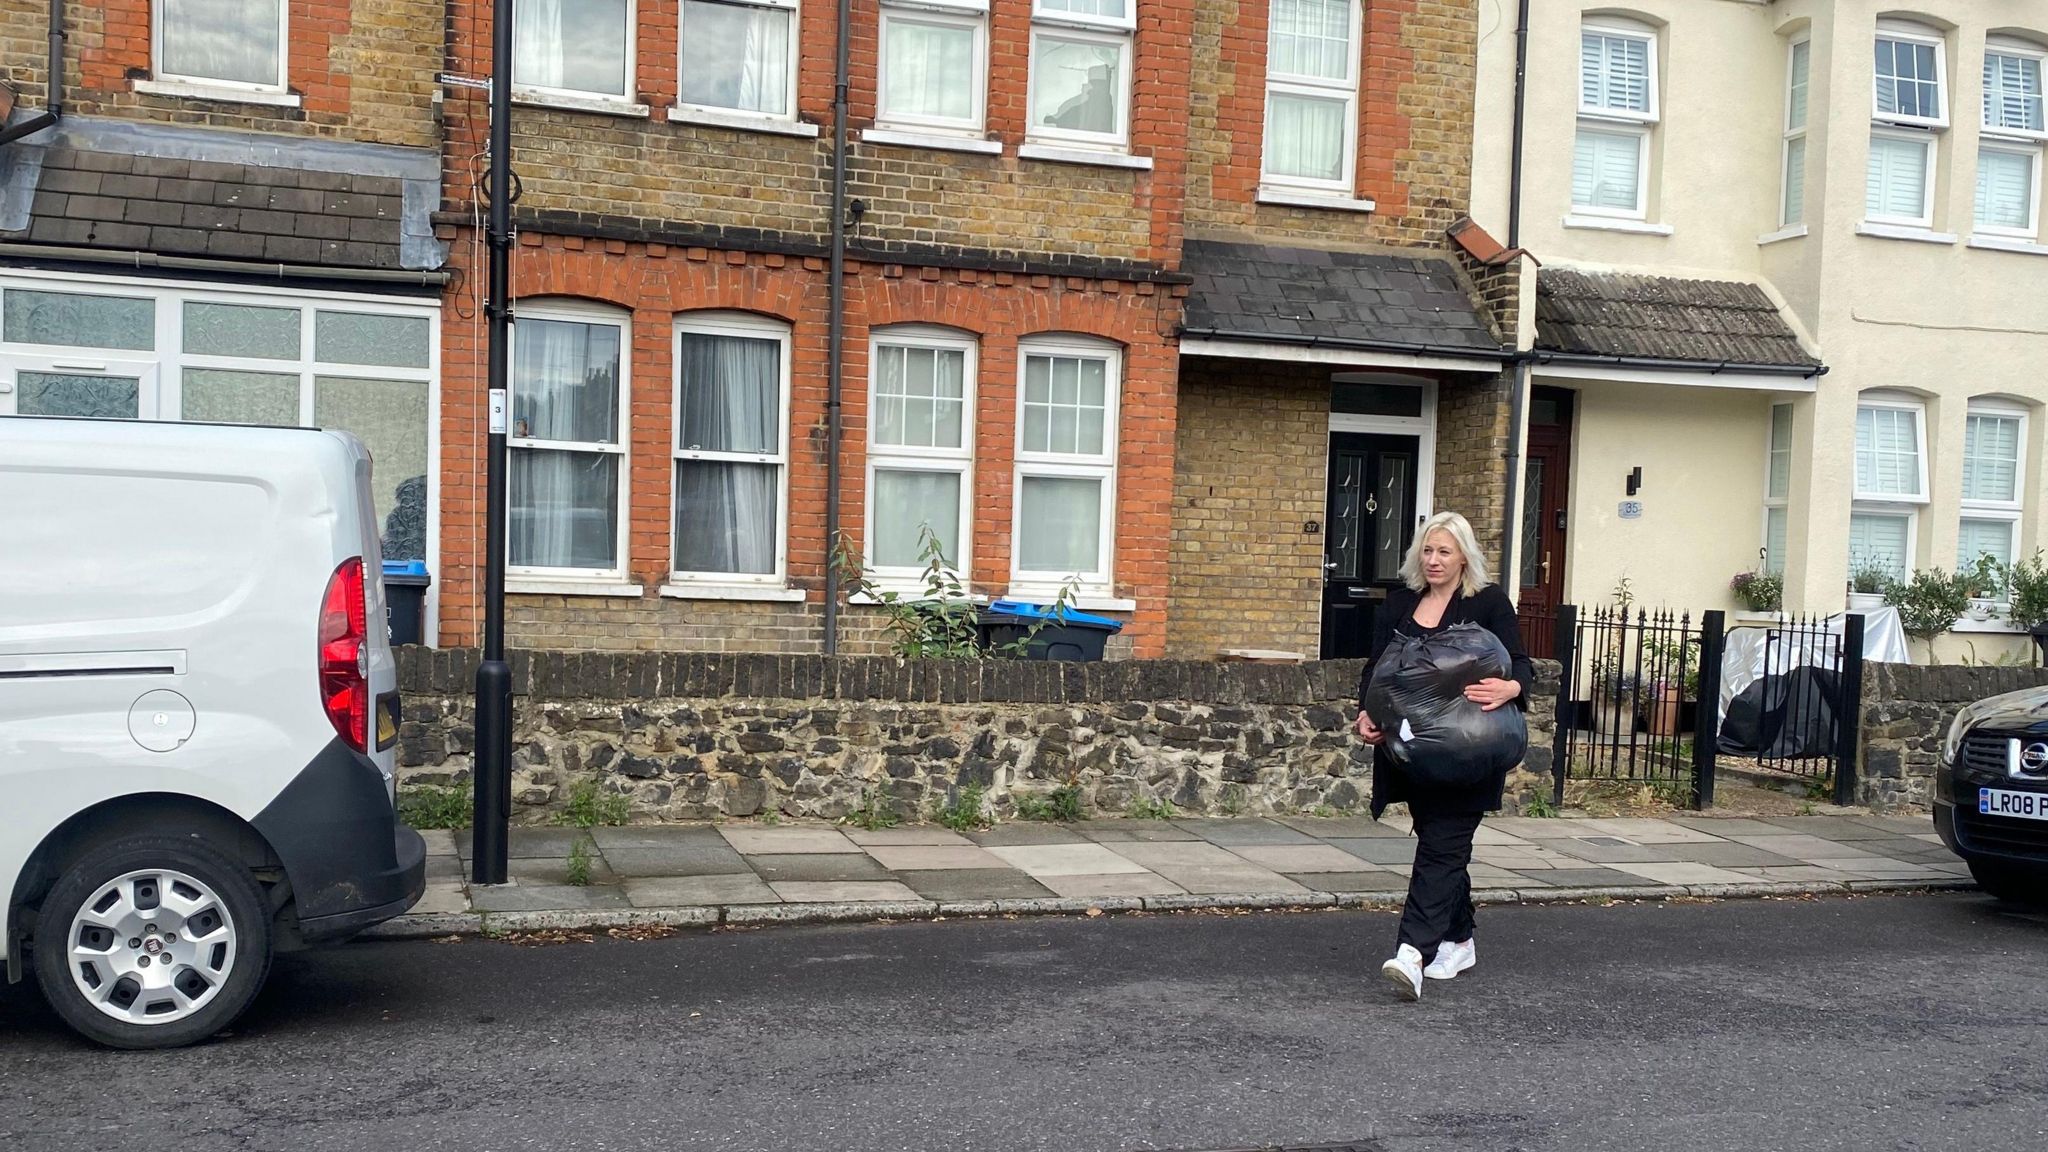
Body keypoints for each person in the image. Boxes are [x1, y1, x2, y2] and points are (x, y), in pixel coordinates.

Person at [1354, 510, 1531, 1001]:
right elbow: (1375, 674)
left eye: (1444, 551)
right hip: (1411, 754)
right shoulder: (1398, 606)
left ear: (1463, 557)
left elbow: (1520, 663)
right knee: (1441, 844)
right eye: (1427, 551)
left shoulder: (1488, 603)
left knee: (1441, 846)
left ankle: (1412, 953)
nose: (1434, 560)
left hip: (1470, 752)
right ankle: (1459, 939)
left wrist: (1512, 686)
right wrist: (1365, 714)